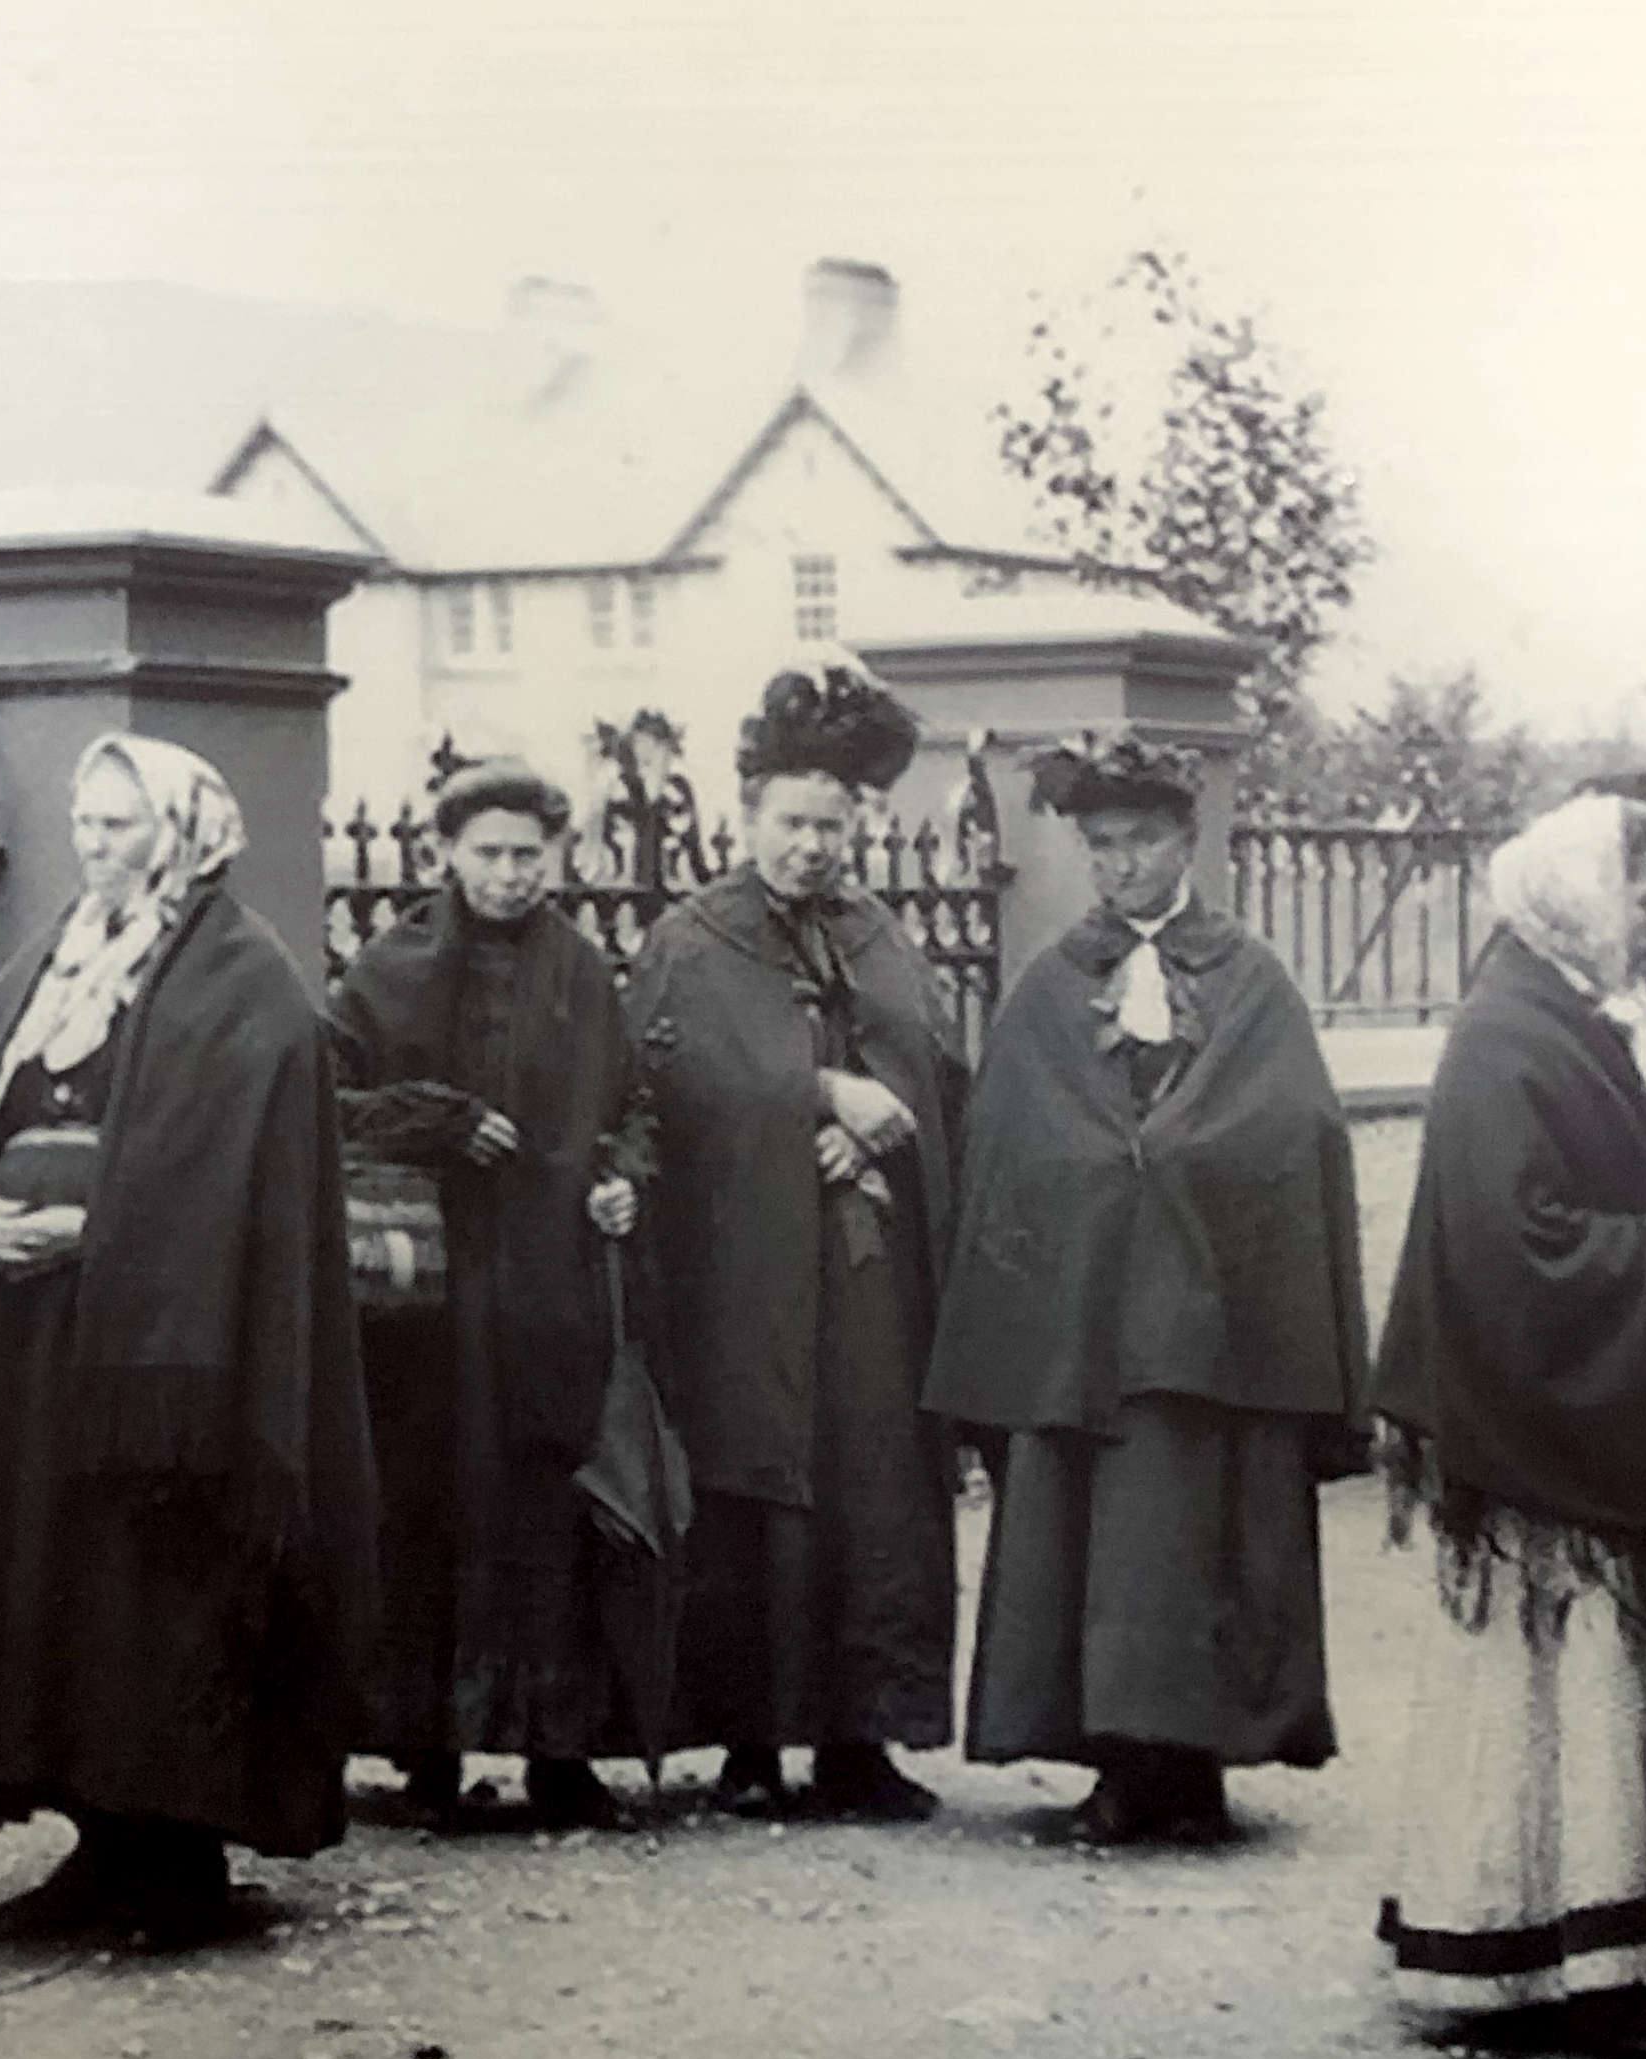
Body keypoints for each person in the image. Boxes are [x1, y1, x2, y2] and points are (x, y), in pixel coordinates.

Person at [0, 733, 378, 1950]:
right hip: (29, 1342)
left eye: (121, 829)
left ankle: (177, 1858)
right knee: (56, 1580)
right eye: (84, 826)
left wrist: (94, 1232)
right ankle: (96, 1840)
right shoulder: (58, 958)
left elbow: (232, 1178)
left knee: (151, 1586)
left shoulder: (245, 979)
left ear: (186, 834)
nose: (95, 848)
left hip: (165, 1356)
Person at [1371, 792, 1646, 2059]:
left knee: (1616, 1693)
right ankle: (1560, 1970)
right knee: (1562, 1690)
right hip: (1543, 1438)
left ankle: (1614, 1951)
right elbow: (1523, 1252)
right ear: (1573, 895)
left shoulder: (1583, 1014)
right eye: (1639, 888)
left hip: (1608, 1409)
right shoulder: (1505, 1038)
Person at [927, 734, 1367, 1844]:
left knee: (1203, 1530)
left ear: (1187, 840)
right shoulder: (1049, 983)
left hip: (1210, 1324)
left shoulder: (1251, 979)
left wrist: (1179, 1158)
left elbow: (1295, 1129)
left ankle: (1200, 1761)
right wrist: (1097, 1174)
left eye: (1141, 841)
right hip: (1083, 1325)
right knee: (1090, 1538)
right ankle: (1115, 1761)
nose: (1118, 865)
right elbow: (1009, 1136)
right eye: (1100, 845)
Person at [627, 661, 965, 1821]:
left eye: (831, 825)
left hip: (866, 1274)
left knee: (872, 1479)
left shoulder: (877, 934)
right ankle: (752, 1741)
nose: (811, 847)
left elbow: (927, 1066)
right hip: (746, 1274)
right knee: (753, 1486)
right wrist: (814, 1095)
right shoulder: (691, 937)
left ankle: (861, 1740)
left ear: (859, 829)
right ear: (747, 819)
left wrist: (875, 1132)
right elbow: (674, 1087)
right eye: (789, 823)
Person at [329, 761, 651, 1830]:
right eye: (488, 854)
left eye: (527, 855)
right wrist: (435, 1117)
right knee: (425, 1507)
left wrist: (619, 1178)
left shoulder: (583, 971)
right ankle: (425, 1749)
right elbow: (328, 1100)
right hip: (424, 1294)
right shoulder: (387, 968)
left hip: (546, 1291)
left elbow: (634, 1105)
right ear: (445, 857)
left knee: (545, 1502)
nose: (510, 875)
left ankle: (558, 1752)